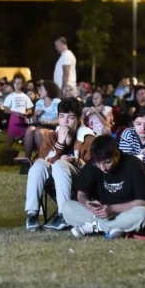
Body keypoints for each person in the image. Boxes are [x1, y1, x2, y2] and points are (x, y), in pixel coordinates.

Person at [61, 135, 145, 238]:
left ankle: (96, 227)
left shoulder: (134, 165)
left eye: (107, 163)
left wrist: (112, 209)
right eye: (98, 164)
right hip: (104, 215)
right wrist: (89, 204)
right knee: (67, 207)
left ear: (117, 155)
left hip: (127, 213)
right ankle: (114, 228)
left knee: (144, 215)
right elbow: (81, 194)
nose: (102, 168)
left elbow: (143, 202)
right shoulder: (93, 164)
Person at [24, 98, 95, 232]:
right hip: (55, 176)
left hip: (78, 178)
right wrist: (59, 144)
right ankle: (32, 215)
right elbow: (44, 160)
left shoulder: (87, 138)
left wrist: (74, 161)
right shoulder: (53, 136)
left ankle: (64, 216)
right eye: (62, 117)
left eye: (70, 117)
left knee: (61, 164)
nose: (65, 121)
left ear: (78, 119)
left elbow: (91, 168)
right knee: (38, 164)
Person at [24, 80, 60, 159]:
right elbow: (33, 121)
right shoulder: (39, 103)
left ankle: (43, 157)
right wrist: (35, 114)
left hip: (52, 127)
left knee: (38, 130)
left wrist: (48, 122)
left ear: (48, 91)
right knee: (30, 129)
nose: (38, 91)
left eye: (41, 89)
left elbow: (59, 120)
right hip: (39, 126)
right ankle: (27, 158)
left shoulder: (57, 103)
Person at [3, 74, 34, 150]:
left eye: (19, 83)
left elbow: (30, 108)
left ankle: (27, 153)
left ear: (22, 84)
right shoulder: (10, 96)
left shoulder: (25, 96)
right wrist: (14, 112)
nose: (17, 85)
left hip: (23, 118)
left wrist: (27, 113)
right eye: (15, 83)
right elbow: (6, 109)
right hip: (14, 118)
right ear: (13, 84)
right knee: (11, 138)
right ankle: (7, 152)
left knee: (24, 136)